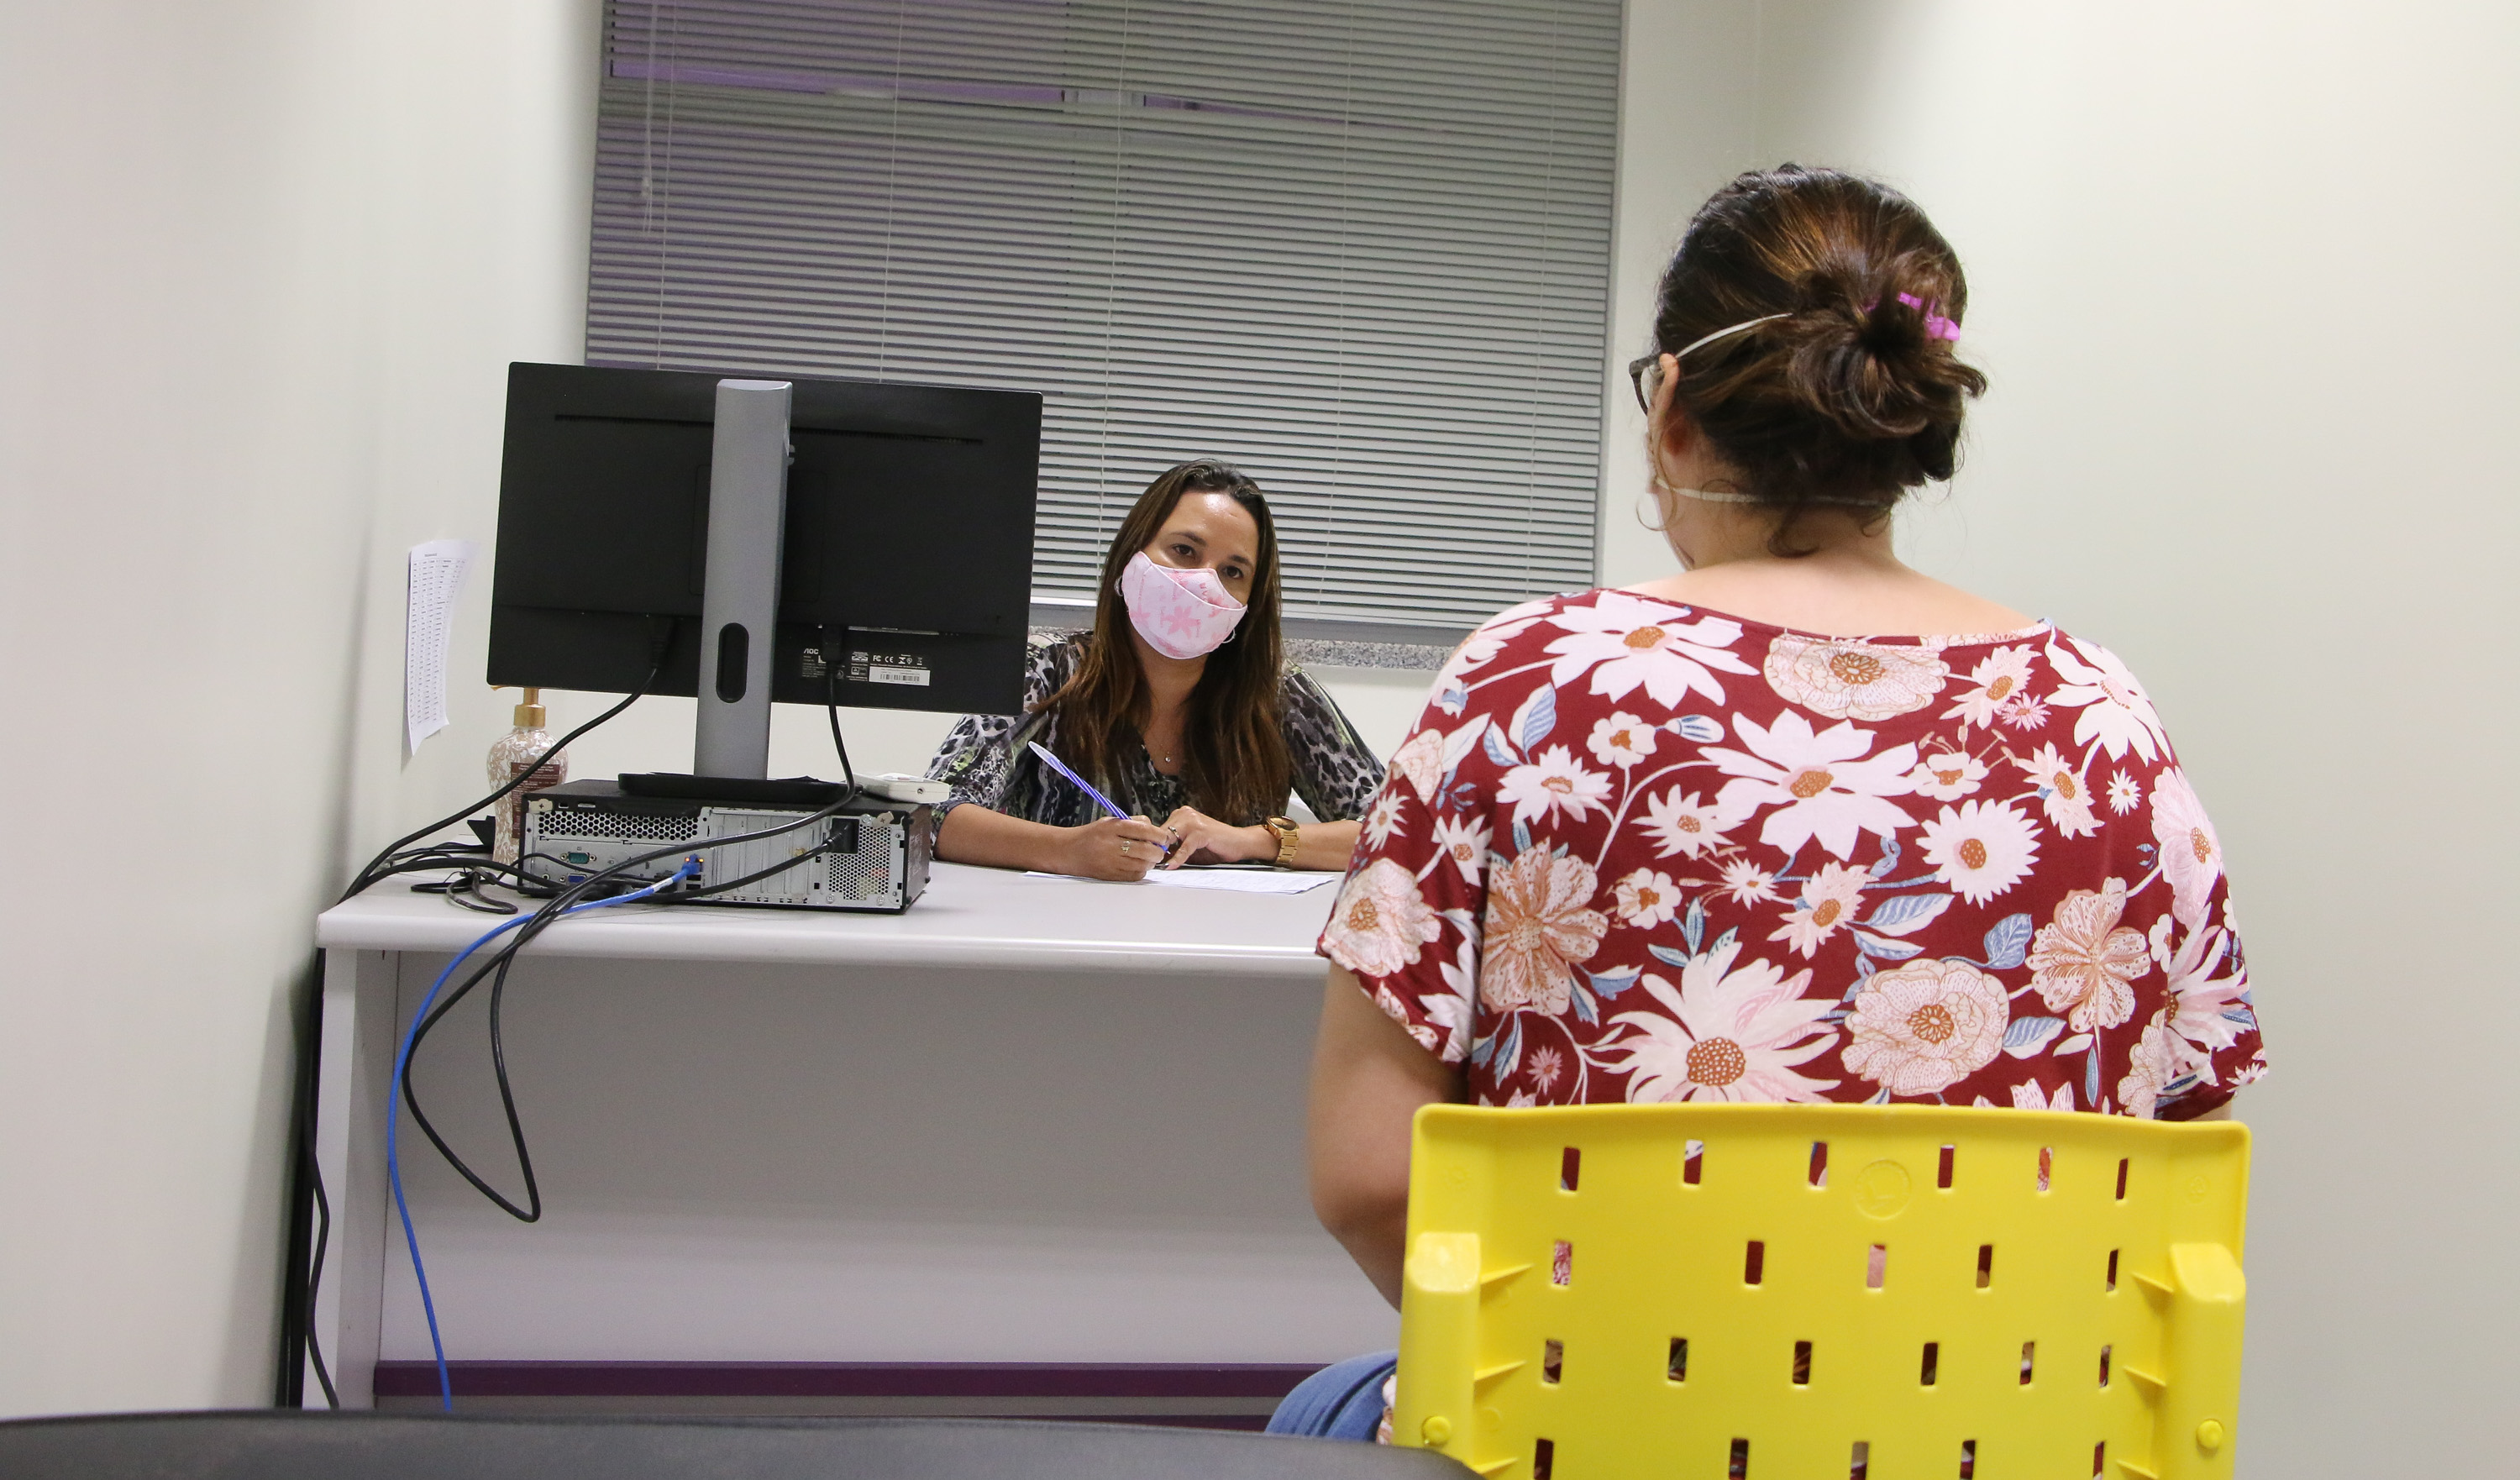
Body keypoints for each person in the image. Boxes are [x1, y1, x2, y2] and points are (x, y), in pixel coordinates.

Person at [1274, 165, 2269, 1441]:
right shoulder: (2103, 713)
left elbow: (1368, 1177)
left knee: (1320, 1405)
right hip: (1989, 1447)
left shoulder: (1524, 680)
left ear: (1675, 407)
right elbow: (2180, 1160)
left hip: (1597, 1436)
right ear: (1908, 422)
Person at [926, 459, 1386, 879]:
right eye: (1185, 550)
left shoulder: (1279, 692)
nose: (1205, 582)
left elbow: (1401, 830)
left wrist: (1253, 841)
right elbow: (933, 812)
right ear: (1132, 555)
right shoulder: (1045, 670)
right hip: (1066, 948)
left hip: (1222, 954)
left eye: (1233, 572)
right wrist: (1068, 850)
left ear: (1250, 602)